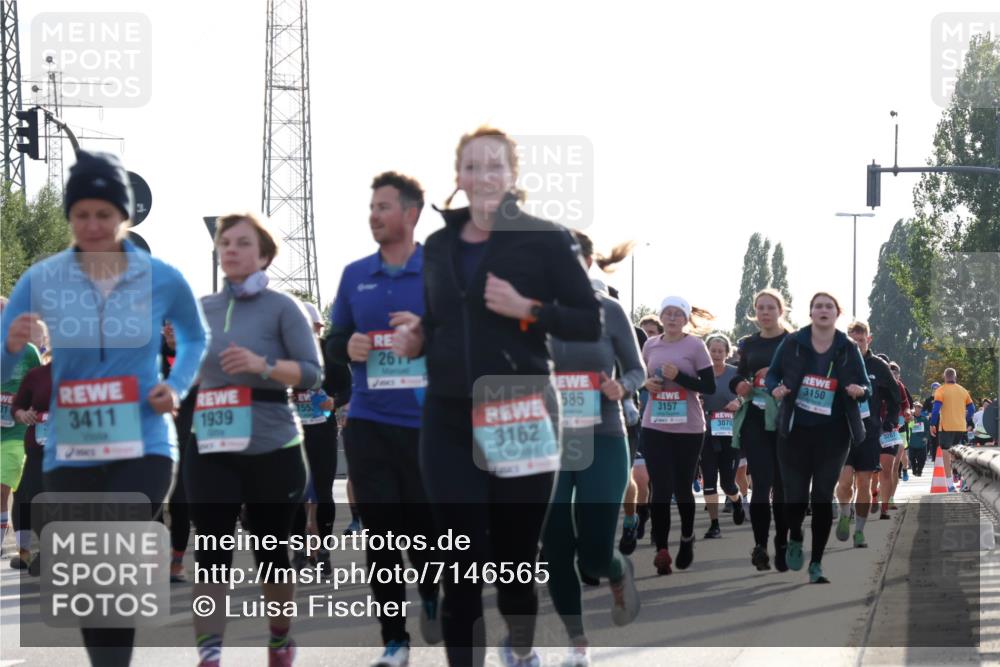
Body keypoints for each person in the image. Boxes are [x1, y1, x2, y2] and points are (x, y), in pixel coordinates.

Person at [393, 126, 601, 667]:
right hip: (447, 416)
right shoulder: (437, 246)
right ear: (458, 177)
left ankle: (522, 648)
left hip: (520, 407)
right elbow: (441, 321)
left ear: (513, 176)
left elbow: (587, 322)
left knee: (513, 561)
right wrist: (417, 338)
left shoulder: (546, 238)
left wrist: (528, 309)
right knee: (460, 561)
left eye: (494, 166)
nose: (482, 176)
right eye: (471, 166)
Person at [1, 150, 208, 666]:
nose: (93, 225)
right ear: (71, 218)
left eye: (104, 214)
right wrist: (15, 336)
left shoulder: (161, 277)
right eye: (81, 214)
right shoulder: (44, 278)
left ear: (125, 217)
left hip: (144, 444)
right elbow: (9, 342)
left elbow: (195, 337)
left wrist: (176, 384)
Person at [184, 212, 321, 667]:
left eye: (242, 243)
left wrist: (262, 364)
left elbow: (312, 372)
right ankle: (209, 653)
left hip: (271, 446)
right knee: (212, 550)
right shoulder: (200, 309)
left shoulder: (284, 307)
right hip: (212, 445)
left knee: (271, 551)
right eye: (225, 243)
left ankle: (280, 639)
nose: (230, 250)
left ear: (263, 255)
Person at [327, 171, 441, 666]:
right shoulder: (355, 274)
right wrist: (344, 346)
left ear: (411, 214)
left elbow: (465, 341)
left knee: (424, 533)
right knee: (381, 535)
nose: (373, 216)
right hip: (369, 423)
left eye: (384, 207)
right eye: (371, 207)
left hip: (428, 428)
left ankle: (434, 596)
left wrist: (425, 336)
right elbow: (334, 342)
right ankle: (394, 640)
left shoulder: (440, 272)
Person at [543, 231, 643, 665]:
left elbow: (638, 371)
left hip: (603, 435)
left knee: (597, 552)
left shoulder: (609, 311)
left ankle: (618, 570)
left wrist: (621, 386)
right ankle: (578, 642)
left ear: (588, 261)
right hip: (549, 441)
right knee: (556, 545)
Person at [766, 292, 870, 584]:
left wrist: (860, 390)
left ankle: (816, 564)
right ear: (810, 313)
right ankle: (796, 536)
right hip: (795, 431)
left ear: (837, 313)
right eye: (817, 306)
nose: (823, 310)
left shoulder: (846, 347)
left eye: (829, 306)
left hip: (833, 433)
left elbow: (865, 384)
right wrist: (776, 388)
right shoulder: (792, 343)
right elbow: (773, 375)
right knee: (795, 498)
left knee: (822, 496)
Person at [640, 296, 716, 575]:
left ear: (686, 319)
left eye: (677, 314)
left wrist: (680, 377)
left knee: (682, 488)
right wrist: (647, 383)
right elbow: (642, 377)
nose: (672, 318)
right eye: (667, 313)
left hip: (688, 428)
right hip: (655, 424)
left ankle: (686, 538)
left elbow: (708, 386)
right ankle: (661, 549)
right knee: (660, 489)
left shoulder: (695, 346)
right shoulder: (650, 345)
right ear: (661, 317)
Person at [730, 289, 792, 571]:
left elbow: (808, 373)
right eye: (760, 308)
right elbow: (738, 374)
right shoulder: (749, 344)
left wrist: (786, 386)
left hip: (785, 422)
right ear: (755, 313)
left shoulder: (793, 342)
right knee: (760, 485)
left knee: (782, 488)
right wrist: (739, 385)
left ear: (781, 310)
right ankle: (759, 546)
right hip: (755, 420)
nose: (765, 312)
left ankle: (781, 543)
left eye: (770, 307)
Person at [290, 300, 350, 575]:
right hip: (292, 431)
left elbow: (347, 389)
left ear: (318, 328)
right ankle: (300, 550)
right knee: (295, 493)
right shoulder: (285, 353)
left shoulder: (330, 353)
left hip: (322, 430)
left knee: (323, 492)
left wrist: (334, 402)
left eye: (309, 327)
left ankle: (323, 550)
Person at [835, 321, 899, 547]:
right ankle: (844, 513)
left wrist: (889, 421)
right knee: (844, 483)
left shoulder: (878, 366)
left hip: (869, 433)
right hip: (842, 432)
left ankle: (859, 531)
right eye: (853, 341)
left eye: (861, 341)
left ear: (868, 340)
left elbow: (895, 396)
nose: (857, 344)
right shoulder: (838, 362)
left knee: (863, 483)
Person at [9, 321, 51, 572]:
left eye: (39, 340)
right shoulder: (36, 376)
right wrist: (22, 413)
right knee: (25, 495)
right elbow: (17, 406)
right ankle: (24, 553)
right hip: (34, 446)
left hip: (69, 452)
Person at [699, 333, 745, 538]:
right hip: (706, 433)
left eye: (720, 351)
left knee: (727, 483)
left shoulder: (735, 373)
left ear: (727, 353)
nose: (716, 354)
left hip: (730, 433)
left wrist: (739, 402)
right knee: (708, 481)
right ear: (707, 352)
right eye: (713, 351)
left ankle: (737, 502)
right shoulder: (700, 374)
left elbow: (749, 393)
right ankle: (714, 524)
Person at [929, 368, 975, 492]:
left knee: (946, 454)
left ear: (944, 377)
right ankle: (963, 481)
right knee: (957, 455)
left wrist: (932, 424)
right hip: (960, 426)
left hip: (946, 427)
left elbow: (935, 409)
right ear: (955, 377)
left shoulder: (940, 390)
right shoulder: (963, 391)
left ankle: (950, 485)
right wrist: (965, 419)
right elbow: (972, 409)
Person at [908, 403, 930, 476]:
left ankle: (919, 470)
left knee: (922, 459)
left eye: (920, 407)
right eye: (917, 407)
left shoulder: (924, 419)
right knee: (912, 458)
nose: (918, 409)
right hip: (912, 443)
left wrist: (926, 437)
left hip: (922, 443)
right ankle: (914, 470)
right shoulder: (909, 418)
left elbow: (928, 430)